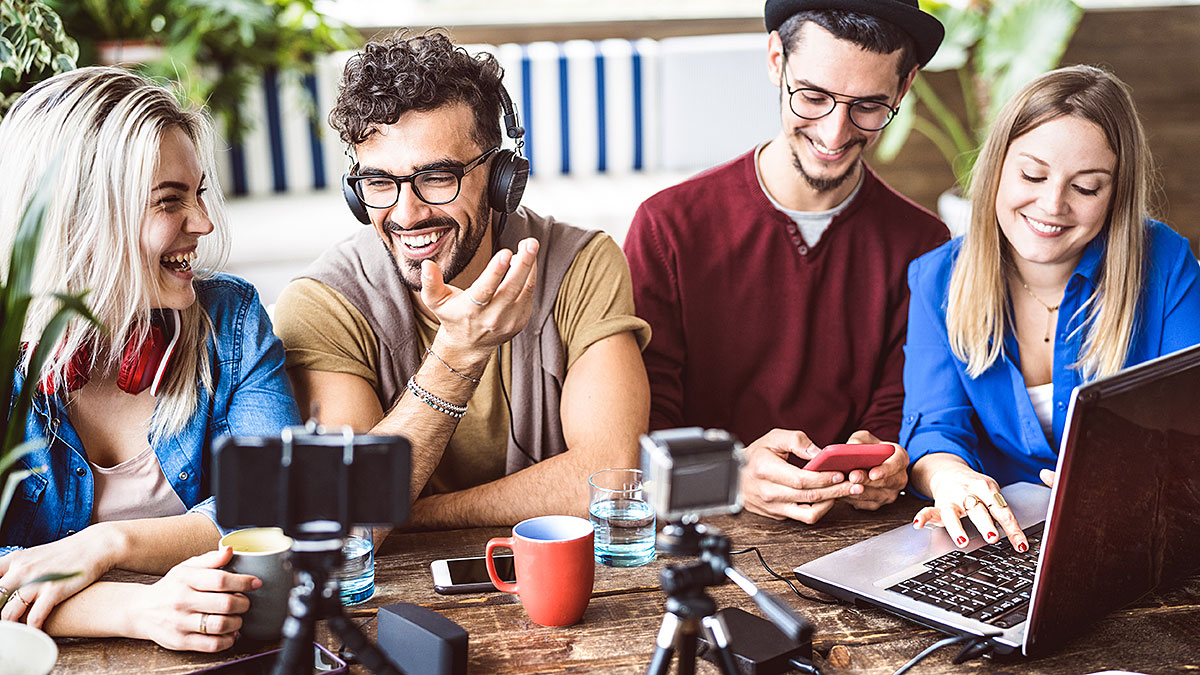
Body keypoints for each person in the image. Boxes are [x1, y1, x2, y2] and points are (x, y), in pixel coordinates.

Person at [272, 33, 650, 530]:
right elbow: (349, 519)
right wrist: (458, 352)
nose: (406, 215)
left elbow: (611, 476)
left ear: (501, 178)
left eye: (436, 177)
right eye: (380, 183)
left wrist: (415, 513)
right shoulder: (321, 304)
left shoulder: (582, 264)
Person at [0, 67, 300, 650]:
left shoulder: (231, 320)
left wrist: (110, 544)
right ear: (82, 220)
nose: (204, 223)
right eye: (170, 202)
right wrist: (135, 609)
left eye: (200, 193)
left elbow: (280, 501)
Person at [623, 0, 948, 524]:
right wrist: (731, 474)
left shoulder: (924, 243)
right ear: (776, 59)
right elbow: (640, 431)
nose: (835, 134)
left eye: (868, 106)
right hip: (700, 529)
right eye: (814, 97)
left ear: (904, 87)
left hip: (856, 534)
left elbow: (904, 411)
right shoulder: (668, 227)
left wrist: (888, 461)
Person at [903, 65, 1200, 552]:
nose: (1052, 204)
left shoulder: (1165, 265)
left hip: (1137, 536)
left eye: (1085, 187)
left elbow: (1189, 432)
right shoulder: (937, 278)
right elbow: (934, 426)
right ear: (997, 166)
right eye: (1032, 174)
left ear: (1116, 194)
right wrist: (951, 478)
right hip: (996, 538)